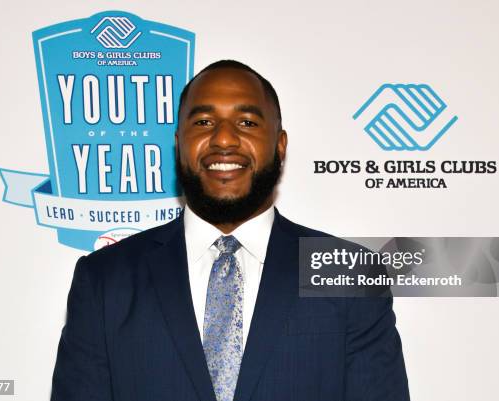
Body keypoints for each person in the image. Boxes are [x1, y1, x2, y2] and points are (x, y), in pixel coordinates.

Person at [50, 60, 410, 401]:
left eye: (248, 123)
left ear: (280, 145)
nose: (224, 139)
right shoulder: (105, 280)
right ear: (179, 142)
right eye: (204, 122)